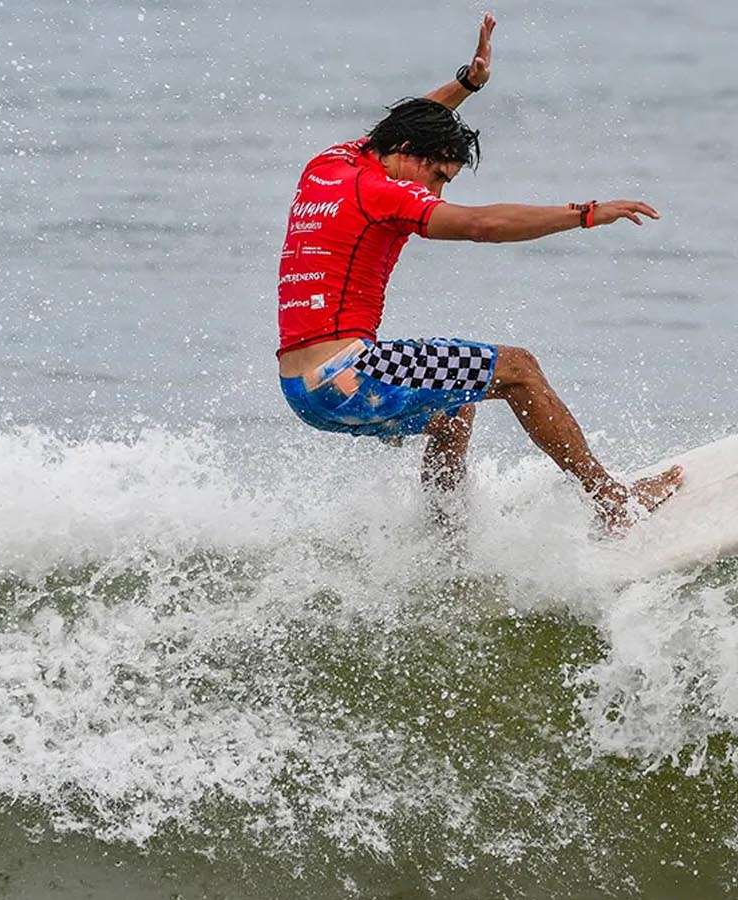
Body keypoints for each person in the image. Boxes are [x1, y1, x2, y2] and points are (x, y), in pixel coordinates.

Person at [275, 11, 682, 529]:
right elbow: (481, 225)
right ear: (406, 154)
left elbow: (401, 125)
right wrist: (584, 214)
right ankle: (613, 504)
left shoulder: (331, 164)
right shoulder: (382, 193)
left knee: (454, 405)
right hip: (351, 375)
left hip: (304, 390)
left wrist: (466, 84)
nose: (434, 192)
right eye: (438, 175)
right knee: (518, 369)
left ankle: (444, 549)